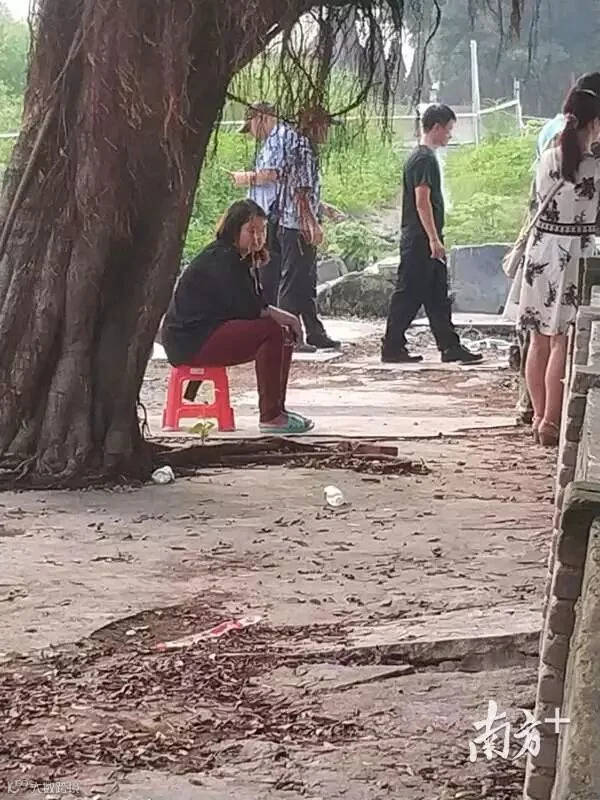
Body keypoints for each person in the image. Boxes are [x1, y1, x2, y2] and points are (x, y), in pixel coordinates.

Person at [161, 199, 315, 435]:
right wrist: (288, 317)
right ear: (235, 230)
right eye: (251, 231)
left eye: (262, 231)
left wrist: (284, 319)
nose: (258, 237)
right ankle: (270, 416)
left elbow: (252, 303)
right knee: (272, 330)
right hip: (190, 340)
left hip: (209, 331)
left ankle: (277, 410)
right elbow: (246, 308)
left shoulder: (243, 259)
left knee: (282, 333)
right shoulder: (221, 258)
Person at [511, 86, 600, 446]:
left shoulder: (546, 159)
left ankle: (537, 417)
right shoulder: (595, 168)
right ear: (594, 123)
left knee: (538, 339)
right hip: (574, 253)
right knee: (562, 339)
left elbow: (535, 203)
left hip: (541, 251)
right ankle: (552, 421)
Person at [381, 104, 482, 363]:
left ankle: (449, 345)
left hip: (424, 236)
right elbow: (422, 201)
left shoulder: (423, 157)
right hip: (420, 238)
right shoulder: (423, 159)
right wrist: (433, 239)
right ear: (436, 127)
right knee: (409, 293)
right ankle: (392, 345)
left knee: (437, 294)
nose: (450, 135)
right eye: (448, 129)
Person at [275, 105, 343, 351]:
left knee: (306, 281)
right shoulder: (302, 149)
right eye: (324, 126)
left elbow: (304, 191)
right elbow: (300, 194)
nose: (327, 132)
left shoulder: (304, 149)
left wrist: (323, 208)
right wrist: (311, 223)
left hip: (296, 222)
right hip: (296, 226)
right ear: (314, 125)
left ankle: (314, 330)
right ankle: (287, 334)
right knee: (294, 282)